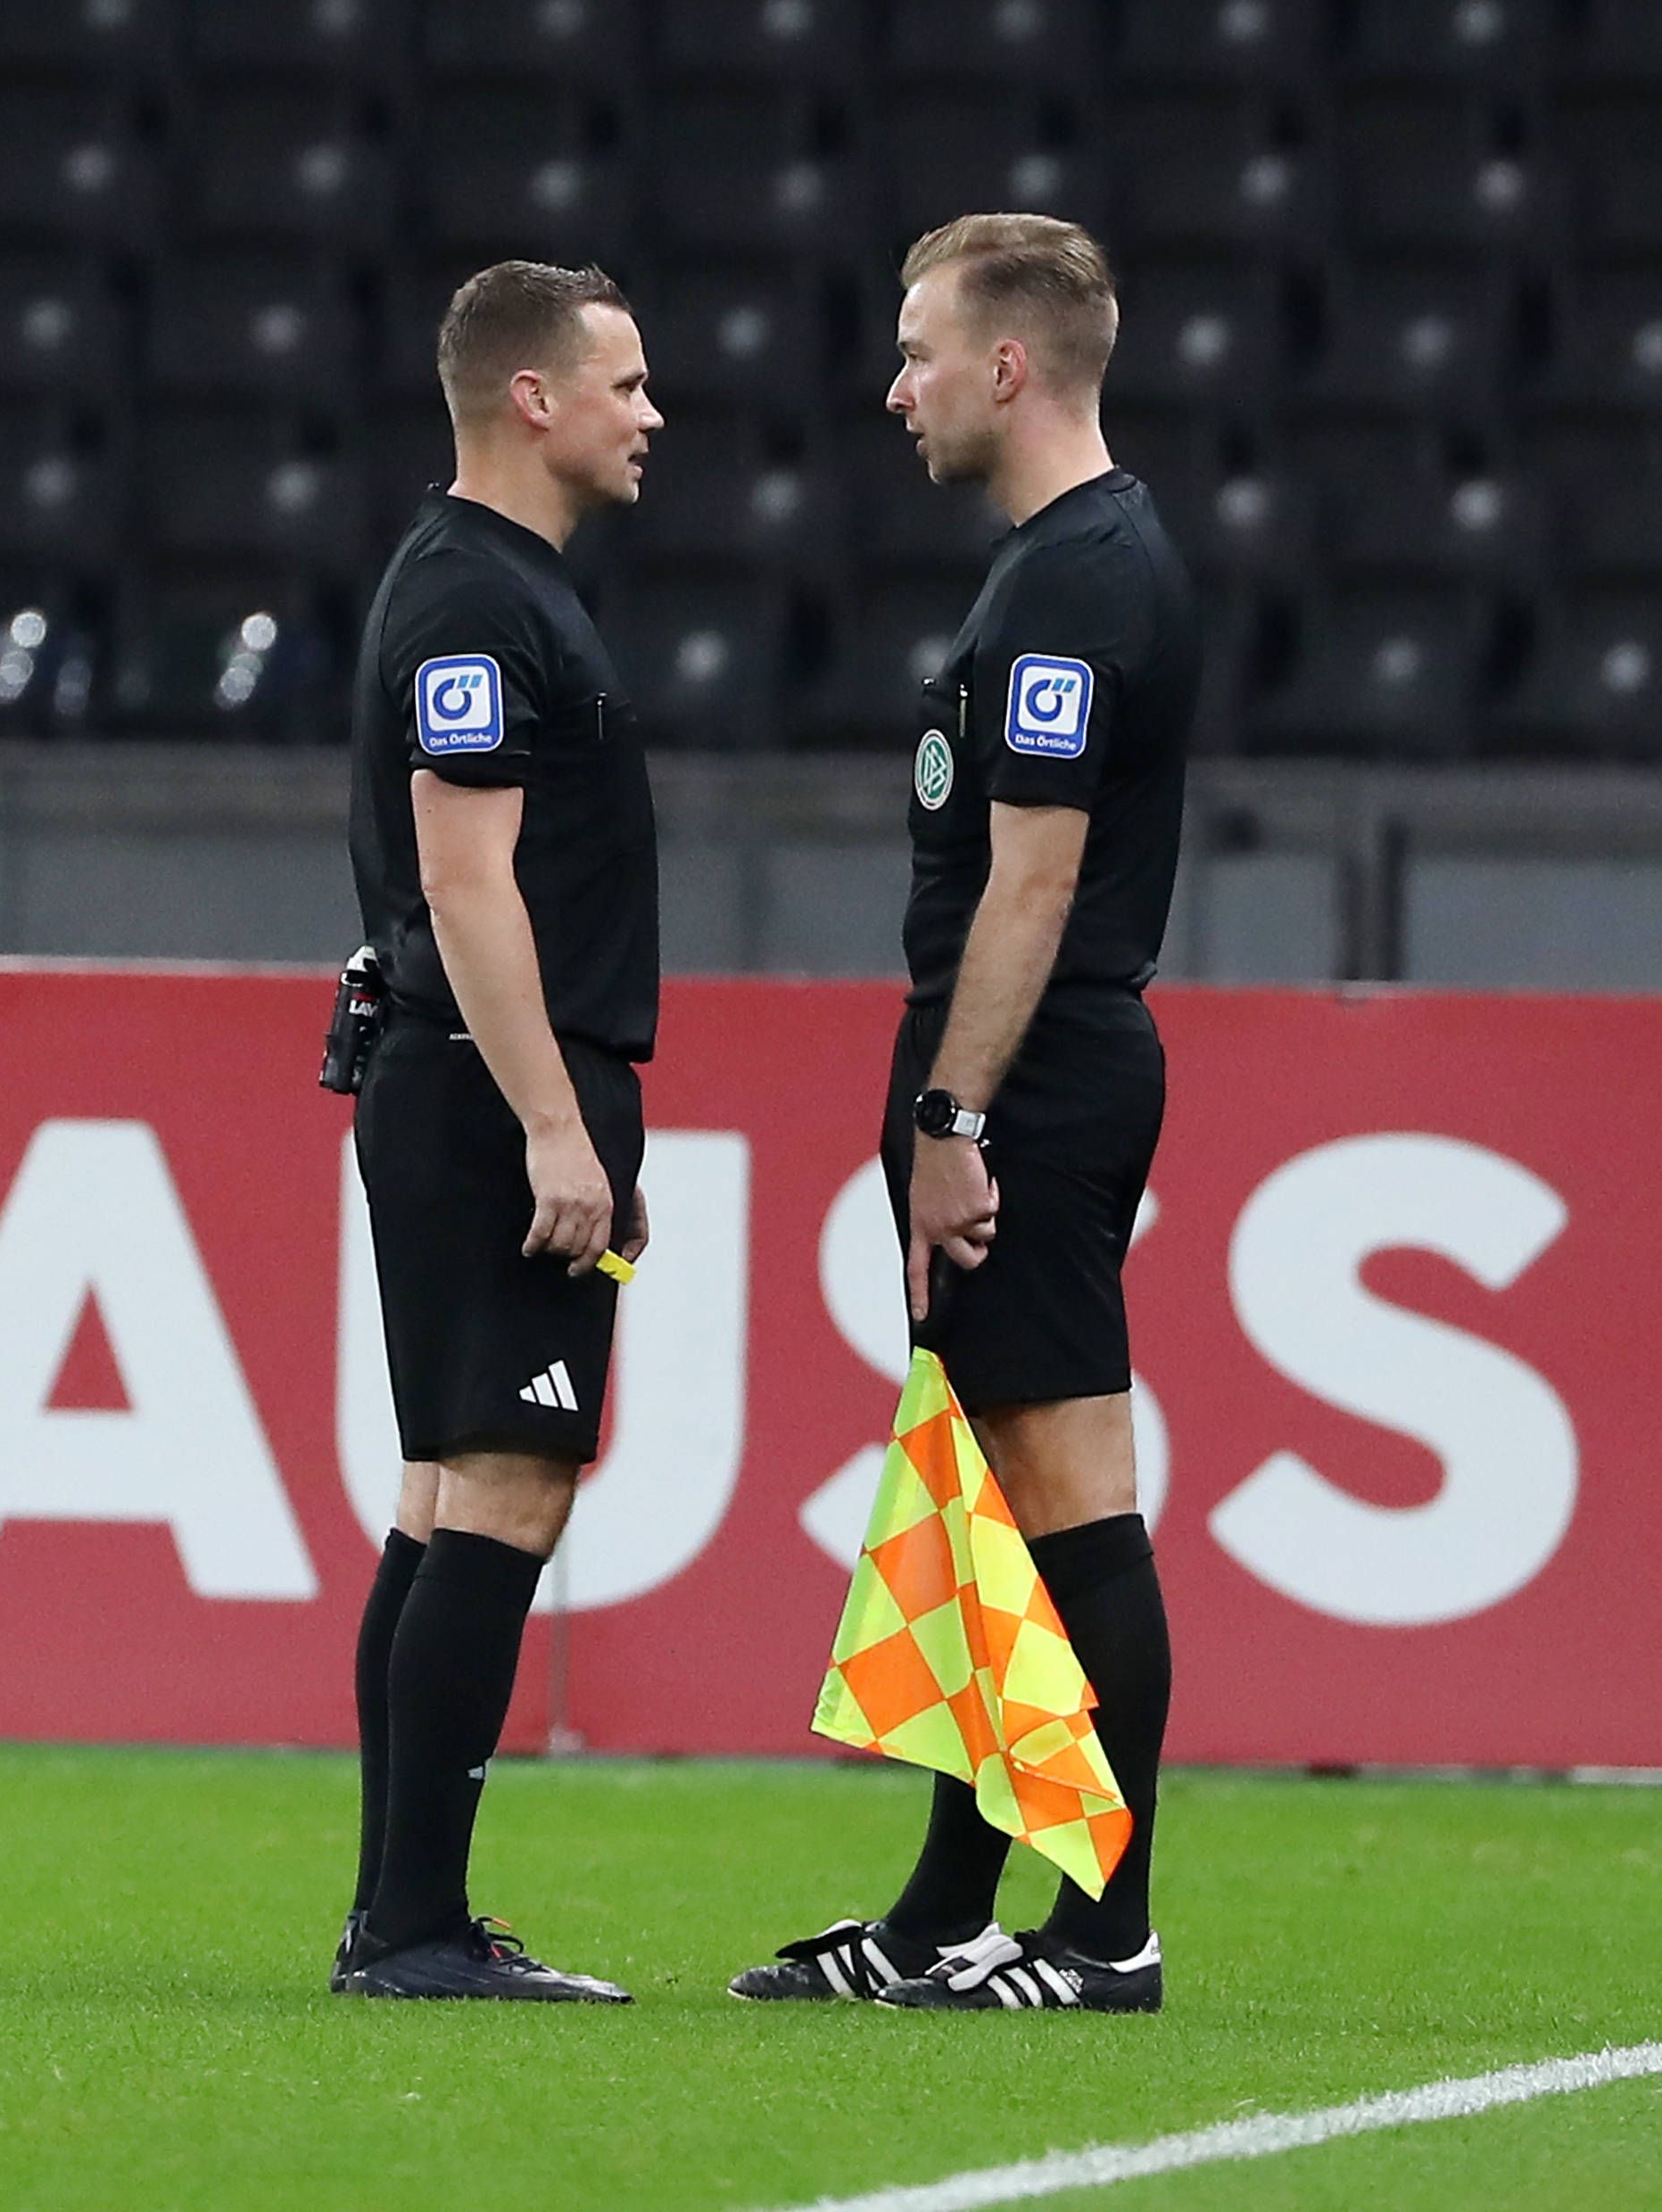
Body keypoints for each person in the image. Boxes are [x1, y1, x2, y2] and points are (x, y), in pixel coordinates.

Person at [733, 214, 1195, 2014]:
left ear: (1009, 365)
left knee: (1070, 1498)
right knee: (984, 1509)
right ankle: (938, 1915)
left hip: (1033, 1071)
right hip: (1026, 1064)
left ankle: (1104, 1927)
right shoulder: (1067, 564)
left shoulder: (1077, 576)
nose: (894, 384)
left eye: (917, 348)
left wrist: (951, 1112)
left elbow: (1029, 886)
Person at [333, 260, 663, 2003]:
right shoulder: (476, 598)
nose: (648, 411)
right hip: (488, 1084)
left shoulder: (493, 583)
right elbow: (465, 878)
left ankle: (400, 1912)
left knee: (443, 1491)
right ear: (530, 397)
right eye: (621, 380)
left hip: (459, 1076)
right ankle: (413, 1928)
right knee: (505, 1489)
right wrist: (556, 1121)